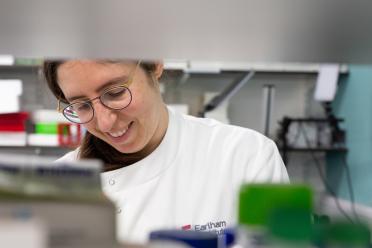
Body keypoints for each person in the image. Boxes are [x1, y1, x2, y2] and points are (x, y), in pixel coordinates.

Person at [43, 59, 289, 244]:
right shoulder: (56, 185)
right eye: (81, 106)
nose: (105, 123)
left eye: (116, 93)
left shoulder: (245, 156)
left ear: (155, 65)